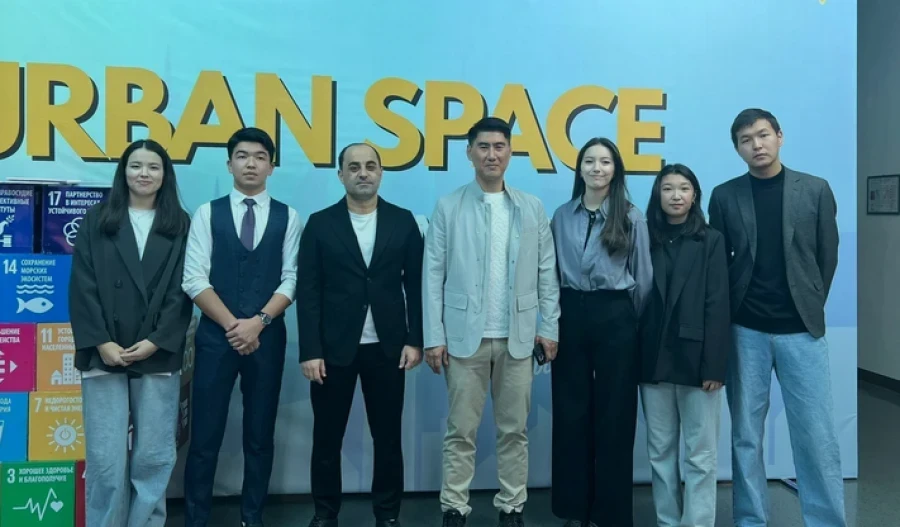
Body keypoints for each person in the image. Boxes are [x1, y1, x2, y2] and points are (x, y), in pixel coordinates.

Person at [708, 108, 845, 527]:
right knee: (746, 435)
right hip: (745, 329)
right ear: (738, 148)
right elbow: (719, 266)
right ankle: (751, 519)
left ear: (780, 136)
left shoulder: (815, 189)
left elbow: (827, 255)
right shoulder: (725, 196)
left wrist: (809, 302)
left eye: (763, 135)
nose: (757, 145)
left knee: (816, 434)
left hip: (801, 331)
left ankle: (826, 520)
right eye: (746, 140)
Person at [422, 117, 560, 527]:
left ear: (510, 152)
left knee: (514, 431)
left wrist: (549, 327)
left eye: (499, 146)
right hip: (464, 338)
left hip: (518, 337)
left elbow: (547, 273)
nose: (491, 154)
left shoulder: (531, 207)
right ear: (469, 153)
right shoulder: (449, 206)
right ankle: (454, 507)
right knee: (460, 430)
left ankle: (512, 506)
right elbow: (432, 275)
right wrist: (433, 336)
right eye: (483, 147)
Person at [296, 142, 424, 527]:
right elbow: (308, 291)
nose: (363, 173)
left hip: (388, 348)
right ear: (341, 175)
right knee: (326, 439)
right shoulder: (320, 224)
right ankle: (324, 514)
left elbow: (417, 287)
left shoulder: (403, 222)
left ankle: (387, 515)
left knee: (388, 439)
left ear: (381, 172)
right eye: (354, 167)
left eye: (370, 166)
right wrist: (310, 350)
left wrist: (415, 339)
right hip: (332, 350)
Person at [181, 127, 303, 527]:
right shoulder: (207, 213)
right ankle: (196, 519)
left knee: (260, 435)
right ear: (229, 163)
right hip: (215, 338)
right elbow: (193, 278)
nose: (251, 163)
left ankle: (253, 517)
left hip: (267, 338)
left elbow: (292, 279)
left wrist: (259, 323)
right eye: (243, 156)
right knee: (205, 435)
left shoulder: (289, 216)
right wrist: (235, 326)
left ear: (271, 166)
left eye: (260, 157)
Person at [69, 139, 193, 527]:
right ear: (123, 172)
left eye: (153, 167)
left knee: (153, 456)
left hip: (157, 351)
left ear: (165, 175)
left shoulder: (180, 224)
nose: (144, 174)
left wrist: (156, 341)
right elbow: (82, 286)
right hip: (104, 351)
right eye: (135, 165)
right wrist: (101, 341)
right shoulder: (97, 219)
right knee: (105, 458)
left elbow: (182, 290)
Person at [549, 137, 652, 527]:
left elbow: (643, 280)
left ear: (616, 169)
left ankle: (610, 513)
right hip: (570, 314)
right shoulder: (562, 215)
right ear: (579, 168)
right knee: (570, 412)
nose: (597, 168)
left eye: (605, 162)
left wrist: (624, 318)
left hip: (616, 315)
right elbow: (551, 273)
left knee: (615, 415)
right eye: (589, 161)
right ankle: (573, 509)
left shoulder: (631, 216)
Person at [639, 163, 730, 527]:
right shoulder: (644, 237)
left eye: (684, 188)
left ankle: (697, 522)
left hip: (697, 360)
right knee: (660, 451)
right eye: (668, 189)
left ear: (694, 196)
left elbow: (718, 304)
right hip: (653, 359)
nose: (676, 195)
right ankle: (667, 521)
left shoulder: (711, 240)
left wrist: (715, 366)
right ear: (657, 195)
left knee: (700, 454)